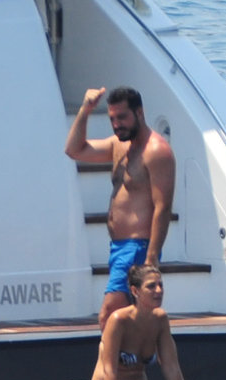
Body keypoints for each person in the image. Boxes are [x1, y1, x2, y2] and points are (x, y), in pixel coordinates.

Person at [65, 86, 176, 330]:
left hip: (138, 248)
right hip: (119, 248)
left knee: (109, 315)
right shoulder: (118, 145)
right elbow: (74, 149)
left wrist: (151, 258)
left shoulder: (156, 151)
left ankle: (116, 357)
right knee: (129, 321)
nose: (116, 125)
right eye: (112, 119)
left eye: (122, 117)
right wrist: (85, 110)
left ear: (139, 113)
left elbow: (163, 207)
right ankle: (136, 356)